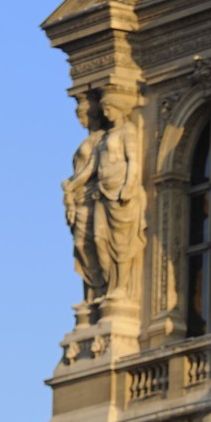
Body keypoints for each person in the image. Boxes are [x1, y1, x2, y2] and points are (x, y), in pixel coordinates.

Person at [91, 89, 146, 301]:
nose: (105, 113)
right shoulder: (105, 137)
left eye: (108, 108)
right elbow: (93, 167)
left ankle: (121, 287)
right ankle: (108, 285)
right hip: (103, 191)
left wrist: (128, 187)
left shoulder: (128, 131)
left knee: (121, 243)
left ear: (119, 108)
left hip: (120, 192)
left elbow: (133, 160)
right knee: (99, 239)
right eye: (103, 108)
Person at [62, 92, 105, 300]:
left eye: (82, 113)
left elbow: (89, 170)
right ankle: (94, 291)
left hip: (89, 197)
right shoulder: (90, 140)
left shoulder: (101, 140)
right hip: (78, 198)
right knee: (81, 245)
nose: (80, 118)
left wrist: (71, 186)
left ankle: (100, 288)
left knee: (90, 242)